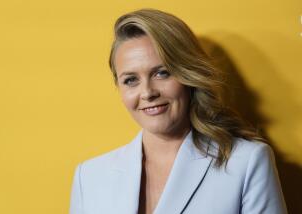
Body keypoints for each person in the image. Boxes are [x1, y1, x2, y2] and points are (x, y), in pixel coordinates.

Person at [69, 8, 287, 214]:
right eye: (131, 80)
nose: (147, 92)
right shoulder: (89, 177)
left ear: (189, 76)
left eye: (162, 73)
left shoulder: (247, 162)